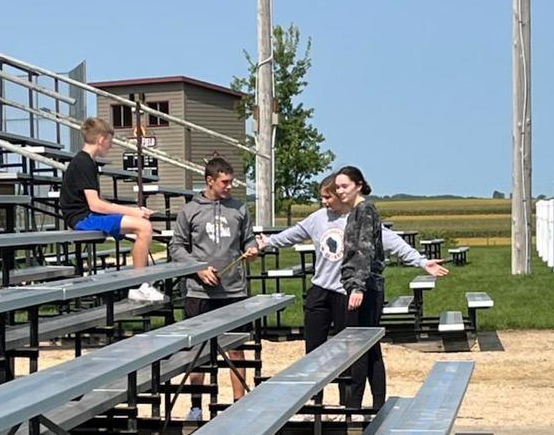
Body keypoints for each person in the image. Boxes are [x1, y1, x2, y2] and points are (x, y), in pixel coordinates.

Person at [258, 173, 447, 361]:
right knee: (313, 351)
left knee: (346, 351)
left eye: (328, 197)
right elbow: (293, 234)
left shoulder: (358, 218)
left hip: (344, 292)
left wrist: (421, 261)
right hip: (321, 289)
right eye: (321, 198)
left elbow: (393, 242)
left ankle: (346, 390)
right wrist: (268, 242)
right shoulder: (318, 218)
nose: (324, 202)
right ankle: (315, 391)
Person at [169, 154, 259, 418]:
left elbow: (248, 240)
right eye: (225, 182)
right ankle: (196, 406)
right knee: (196, 353)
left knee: (236, 349)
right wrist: (197, 268)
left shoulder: (240, 208)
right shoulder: (190, 210)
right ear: (210, 181)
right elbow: (176, 247)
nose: (230, 186)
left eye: (231, 182)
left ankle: (238, 404)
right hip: (199, 293)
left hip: (233, 291)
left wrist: (252, 249)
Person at [60, 116, 163, 302]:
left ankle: (142, 283)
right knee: (144, 227)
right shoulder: (83, 163)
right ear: (101, 139)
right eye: (110, 141)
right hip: (82, 218)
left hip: (86, 215)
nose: (111, 146)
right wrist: (133, 211)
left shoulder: (86, 161)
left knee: (141, 228)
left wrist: (132, 212)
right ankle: (140, 286)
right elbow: (95, 204)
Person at [337, 166, 388, 411]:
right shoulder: (354, 212)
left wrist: (357, 287)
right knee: (364, 346)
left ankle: (359, 405)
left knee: (362, 346)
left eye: (344, 186)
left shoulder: (365, 210)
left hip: (365, 288)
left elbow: (365, 250)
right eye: (337, 187)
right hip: (357, 284)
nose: (340, 191)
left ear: (358, 185)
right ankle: (364, 404)